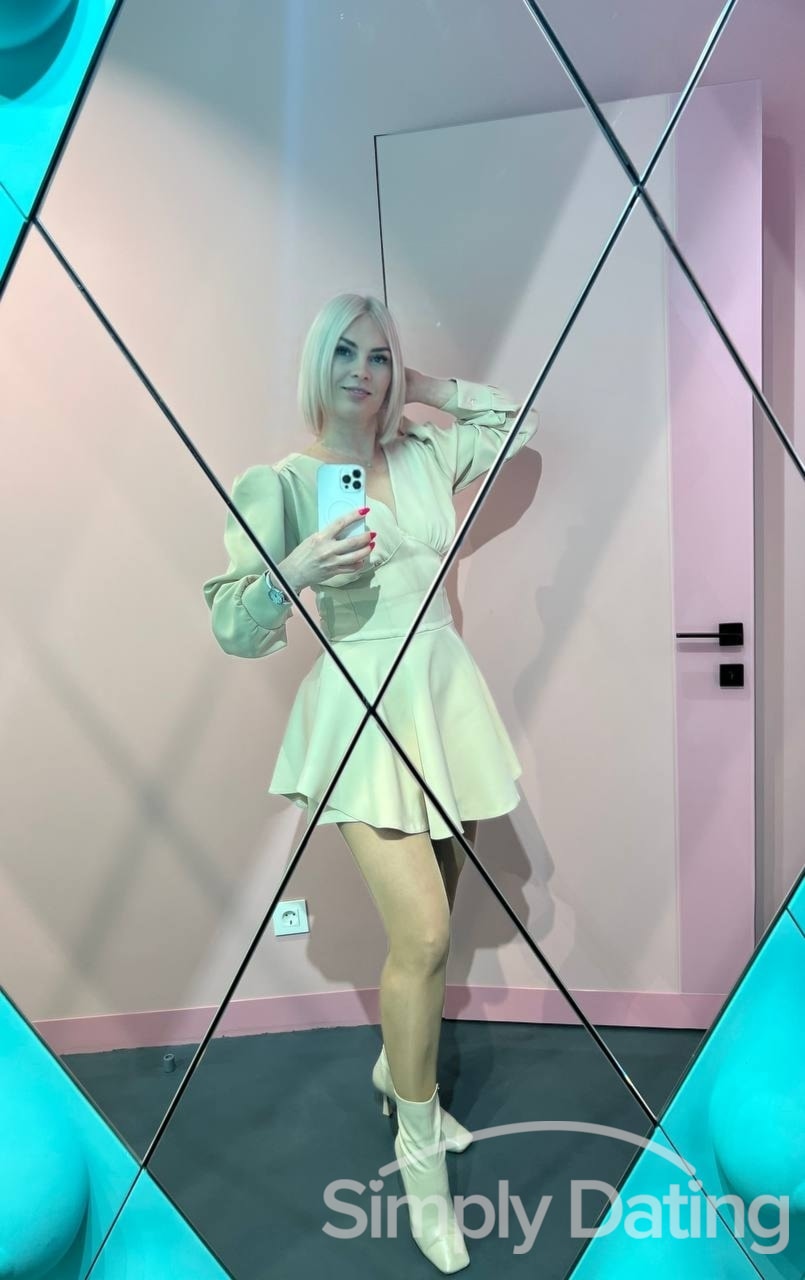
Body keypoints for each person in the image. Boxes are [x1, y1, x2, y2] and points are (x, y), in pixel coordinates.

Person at [203, 292, 539, 1273]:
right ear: (317, 361)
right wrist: (298, 566)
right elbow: (231, 626)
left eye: (379, 354)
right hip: (362, 707)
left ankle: (400, 1071)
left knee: (445, 909)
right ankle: (419, 1160)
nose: (361, 369)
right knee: (423, 935)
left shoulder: (426, 453)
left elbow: (513, 423)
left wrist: (423, 385)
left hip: (443, 699)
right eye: (344, 352)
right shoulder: (284, 482)